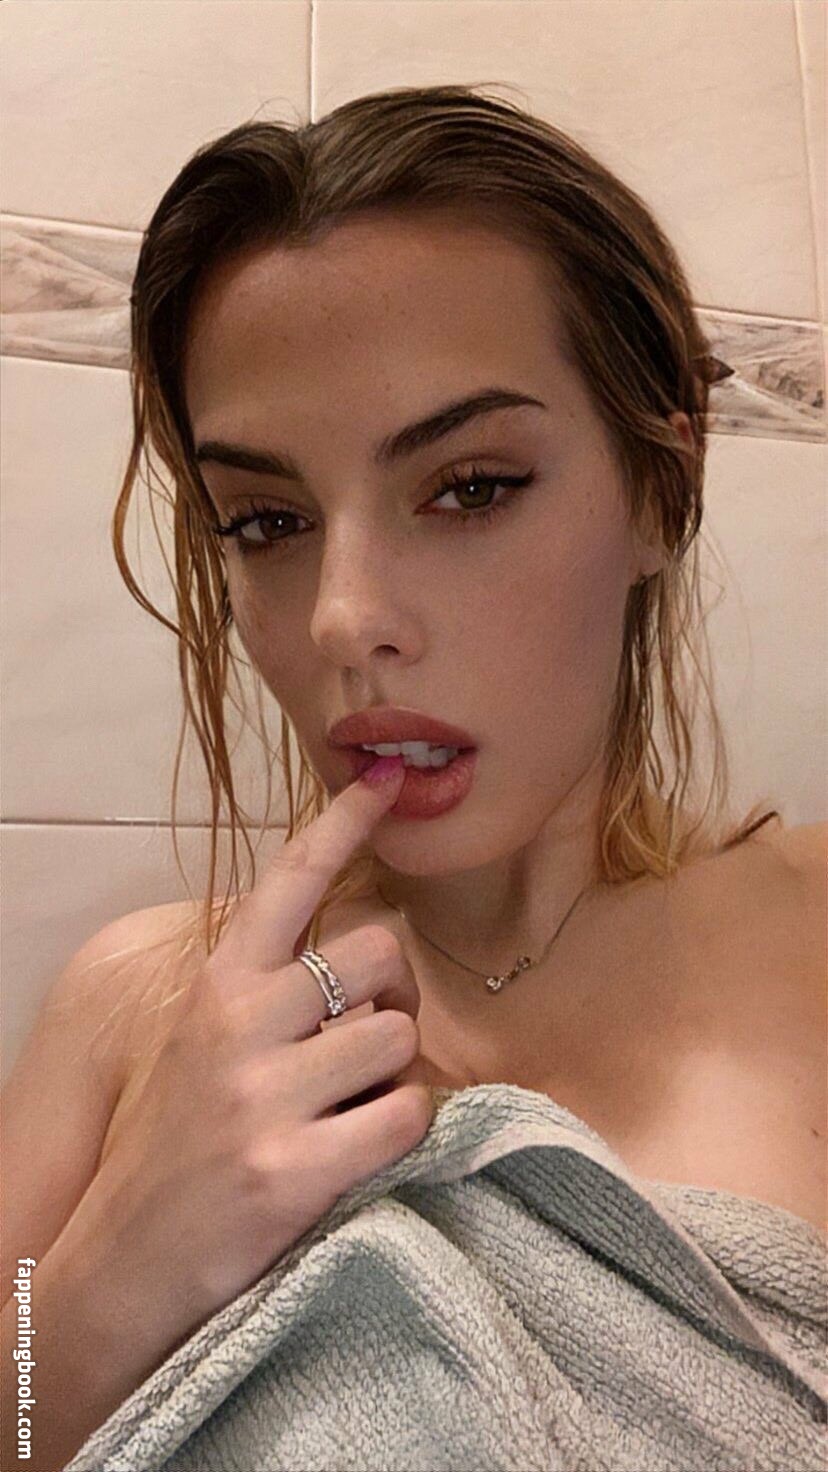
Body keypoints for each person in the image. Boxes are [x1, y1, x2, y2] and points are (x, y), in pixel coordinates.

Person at [2, 83, 824, 1472]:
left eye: (470, 486)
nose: (344, 620)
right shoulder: (137, 1008)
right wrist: (101, 1289)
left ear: (658, 490)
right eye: (268, 520)